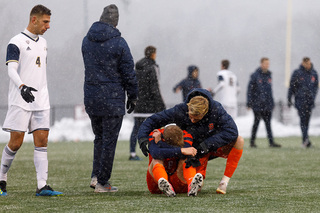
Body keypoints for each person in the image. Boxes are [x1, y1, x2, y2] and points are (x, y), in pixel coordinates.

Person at [0, 5, 63, 197]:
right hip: (21, 99)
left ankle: (42, 186)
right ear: (33, 20)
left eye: (49, 22)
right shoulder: (16, 42)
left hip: (41, 99)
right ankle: (1, 178)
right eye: (45, 22)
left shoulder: (43, 43)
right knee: (16, 142)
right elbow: (11, 70)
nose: (48, 26)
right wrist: (22, 87)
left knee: (42, 141)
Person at [138, 88, 244, 194]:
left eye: (196, 119)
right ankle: (176, 182)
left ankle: (224, 183)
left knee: (239, 140)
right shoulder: (180, 111)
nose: (192, 121)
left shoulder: (216, 109)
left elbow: (232, 131)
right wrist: (142, 137)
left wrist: (205, 146)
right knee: (178, 164)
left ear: (206, 112)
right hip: (189, 150)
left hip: (206, 148)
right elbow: (153, 120)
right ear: (188, 107)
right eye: (190, 117)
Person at [82, 4, 138, 193]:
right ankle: (103, 182)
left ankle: (95, 176)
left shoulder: (86, 40)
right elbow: (128, 71)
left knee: (99, 138)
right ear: (115, 21)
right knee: (109, 141)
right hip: (112, 98)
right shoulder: (119, 42)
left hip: (91, 97)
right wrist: (133, 95)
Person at [129, 46, 166, 161]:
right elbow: (155, 87)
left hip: (139, 103)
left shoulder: (137, 68)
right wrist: (161, 104)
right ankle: (156, 152)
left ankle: (132, 153)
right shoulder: (153, 67)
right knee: (155, 128)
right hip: (150, 104)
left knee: (136, 128)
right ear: (153, 54)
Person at [147, 125, 203, 197]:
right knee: (156, 159)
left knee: (186, 158)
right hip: (157, 182)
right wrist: (181, 150)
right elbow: (155, 153)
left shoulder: (186, 135)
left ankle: (191, 184)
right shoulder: (155, 134)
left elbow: (187, 152)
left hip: (179, 178)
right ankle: (163, 181)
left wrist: (161, 144)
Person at [247, 58, 281, 148]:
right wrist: (249, 102)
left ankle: (271, 142)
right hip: (258, 104)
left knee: (268, 124)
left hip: (267, 104)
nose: (267, 65)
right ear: (261, 64)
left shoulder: (269, 75)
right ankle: (252, 142)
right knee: (256, 123)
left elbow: (270, 91)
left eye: (268, 63)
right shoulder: (255, 75)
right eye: (265, 63)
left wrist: (272, 102)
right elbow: (250, 90)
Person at [288, 57, 318, 148]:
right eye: (305, 63)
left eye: (308, 63)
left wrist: (312, 96)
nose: (307, 65)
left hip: (309, 102)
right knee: (303, 120)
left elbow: (316, 87)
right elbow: (292, 87)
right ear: (302, 63)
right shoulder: (297, 73)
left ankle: (305, 139)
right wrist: (289, 98)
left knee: (307, 121)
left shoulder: (314, 73)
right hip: (300, 101)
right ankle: (306, 140)